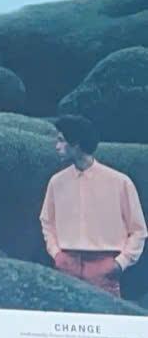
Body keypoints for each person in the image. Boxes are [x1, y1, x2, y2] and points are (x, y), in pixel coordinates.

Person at [40, 115, 145, 298]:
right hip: (67, 264)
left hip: (104, 266)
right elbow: (47, 221)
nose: (57, 146)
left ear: (76, 144)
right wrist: (57, 254)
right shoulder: (57, 182)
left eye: (61, 140)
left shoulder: (119, 182)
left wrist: (120, 262)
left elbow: (138, 230)